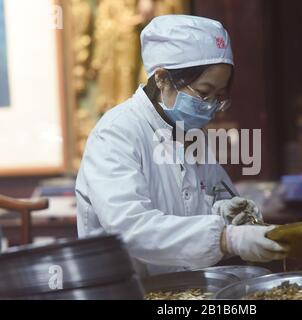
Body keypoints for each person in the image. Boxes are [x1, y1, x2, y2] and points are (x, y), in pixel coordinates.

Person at [76, 15, 286, 278]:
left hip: (181, 288)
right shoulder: (117, 132)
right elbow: (128, 228)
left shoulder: (188, 134)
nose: (210, 106)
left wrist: (226, 212)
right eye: (203, 92)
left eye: (218, 97)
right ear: (162, 78)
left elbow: (201, 200)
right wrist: (225, 239)